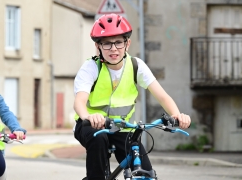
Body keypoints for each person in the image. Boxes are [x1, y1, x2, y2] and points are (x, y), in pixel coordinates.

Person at [73, 13, 191, 180]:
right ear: (98, 47)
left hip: (123, 127)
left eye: (118, 42)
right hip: (92, 126)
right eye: (106, 44)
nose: (113, 49)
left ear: (127, 44)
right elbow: (79, 102)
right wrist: (89, 117)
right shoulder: (91, 67)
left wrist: (177, 115)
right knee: (99, 141)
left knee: (145, 170)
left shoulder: (136, 65)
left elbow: (163, 96)